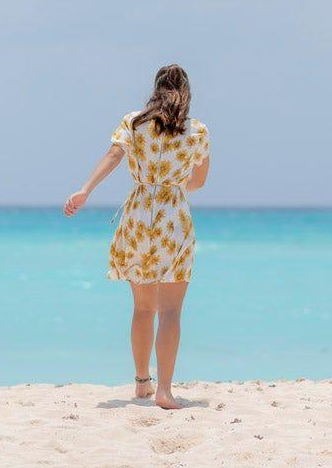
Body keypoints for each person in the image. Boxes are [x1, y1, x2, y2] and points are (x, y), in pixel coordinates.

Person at [64, 64, 210, 410]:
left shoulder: (134, 122)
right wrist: (174, 185)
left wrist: (85, 190)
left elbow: (114, 155)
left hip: (139, 215)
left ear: (155, 90)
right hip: (173, 218)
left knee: (143, 308)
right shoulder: (198, 131)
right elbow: (199, 182)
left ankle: (143, 382)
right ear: (187, 93)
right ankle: (165, 390)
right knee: (171, 310)